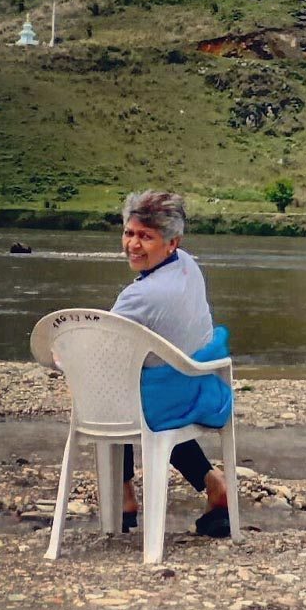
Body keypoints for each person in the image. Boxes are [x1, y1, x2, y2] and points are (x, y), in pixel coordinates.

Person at [114, 189, 232, 539]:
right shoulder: (187, 265)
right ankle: (213, 482)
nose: (133, 244)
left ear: (171, 242)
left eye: (145, 237)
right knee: (135, 383)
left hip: (172, 398)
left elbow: (101, 351)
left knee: (108, 392)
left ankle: (123, 497)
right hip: (203, 381)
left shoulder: (140, 296)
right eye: (129, 233)